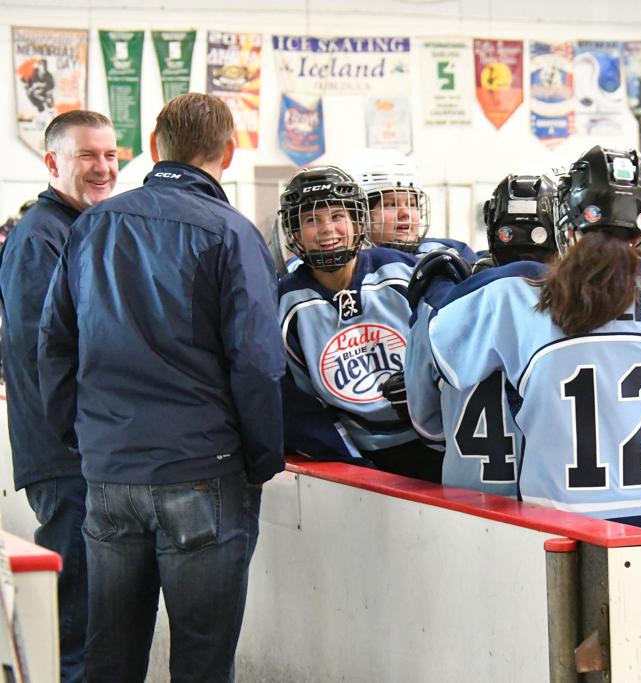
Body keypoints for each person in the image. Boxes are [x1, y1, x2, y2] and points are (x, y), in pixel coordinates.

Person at [425, 146, 641, 682]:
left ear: (567, 217)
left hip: (565, 540)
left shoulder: (516, 298)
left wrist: (442, 280)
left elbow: (442, 349)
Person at [37, 93, 284, 683]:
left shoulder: (91, 226)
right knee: (202, 662)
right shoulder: (231, 232)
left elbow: (53, 344)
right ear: (229, 151)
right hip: (202, 470)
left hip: (110, 472)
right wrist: (262, 458)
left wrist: (82, 438)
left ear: (152, 148)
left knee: (109, 658)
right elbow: (257, 362)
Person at [0, 109, 117, 683]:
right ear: (52, 162)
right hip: (64, 455)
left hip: (88, 451)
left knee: (95, 618)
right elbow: (41, 352)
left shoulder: (86, 227)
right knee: (74, 621)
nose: (103, 168)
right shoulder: (39, 236)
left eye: (110, 155)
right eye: (87, 155)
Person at [276, 165, 444, 482]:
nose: (327, 229)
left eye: (337, 216)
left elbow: (452, 350)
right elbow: (302, 405)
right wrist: (356, 466)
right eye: (312, 220)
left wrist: (425, 386)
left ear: (357, 221)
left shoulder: (402, 273)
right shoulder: (287, 304)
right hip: (358, 457)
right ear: (295, 233)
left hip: (432, 443)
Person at [404, 173, 560, 497]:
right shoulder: (586, 311)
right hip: (553, 500)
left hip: (467, 499)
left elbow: (426, 424)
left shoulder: (438, 310)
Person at [342, 148, 477, 260]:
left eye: (411, 204)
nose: (405, 213)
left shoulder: (448, 251)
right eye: (391, 204)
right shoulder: (351, 270)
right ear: (361, 214)